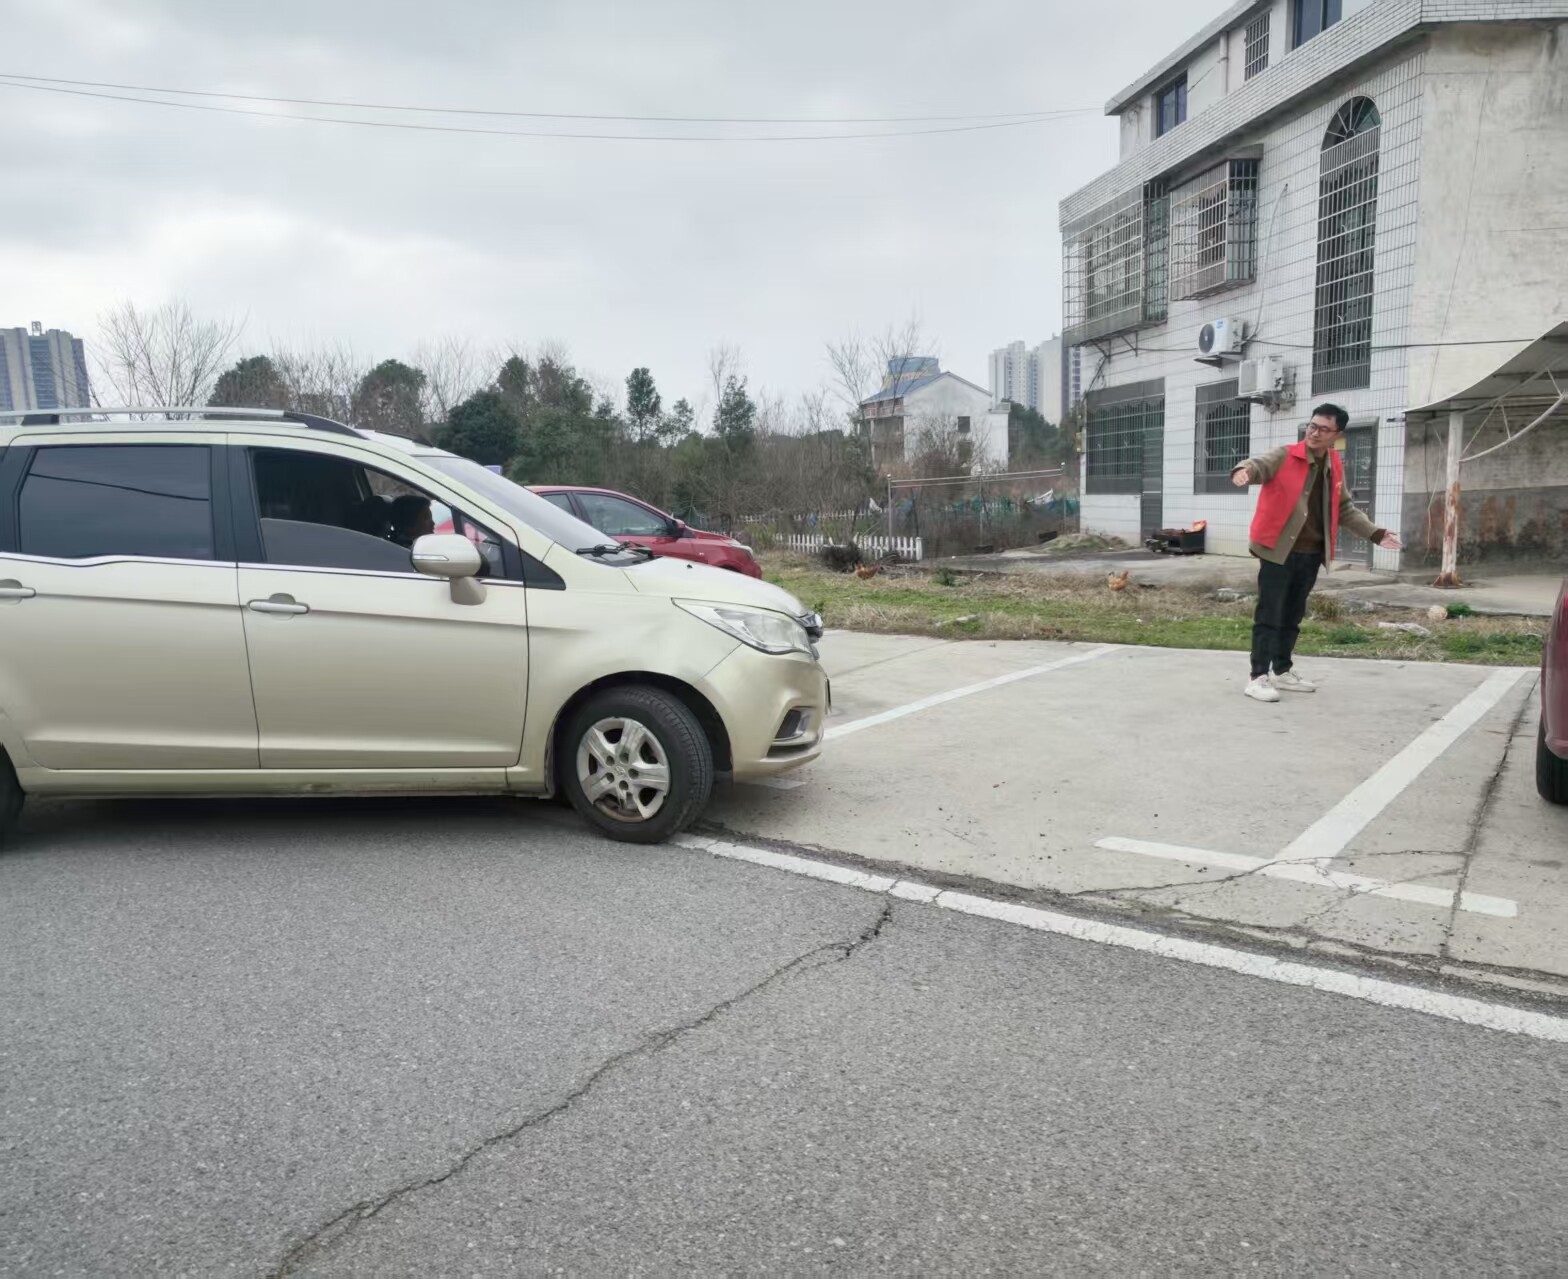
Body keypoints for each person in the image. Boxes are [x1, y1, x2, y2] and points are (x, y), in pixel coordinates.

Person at [1231, 403, 1403, 704]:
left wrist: (1375, 534)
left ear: (1337, 434)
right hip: (1277, 550)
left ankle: (1282, 670)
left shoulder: (1334, 463)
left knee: (1292, 614)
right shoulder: (1285, 454)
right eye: (1312, 426)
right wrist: (1243, 472)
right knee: (1269, 614)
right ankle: (1257, 677)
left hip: (1311, 552)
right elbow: (1257, 465)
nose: (1314, 433)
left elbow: (1344, 507)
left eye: (1324, 429)